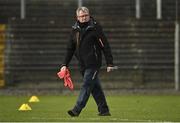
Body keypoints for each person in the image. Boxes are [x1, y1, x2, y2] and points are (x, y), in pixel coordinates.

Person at [60, 6, 114, 117]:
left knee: (86, 84)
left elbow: (105, 45)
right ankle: (104, 110)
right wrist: (64, 64)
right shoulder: (74, 30)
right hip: (82, 64)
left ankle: (76, 109)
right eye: (81, 16)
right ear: (77, 17)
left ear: (89, 15)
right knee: (95, 88)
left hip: (94, 63)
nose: (84, 18)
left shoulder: (96, 28)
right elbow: (70, 49)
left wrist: (110, 63)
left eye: (86, 15)